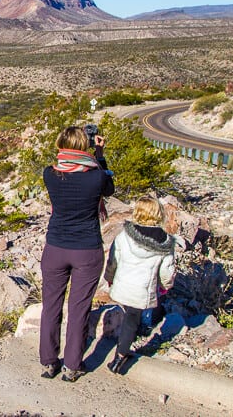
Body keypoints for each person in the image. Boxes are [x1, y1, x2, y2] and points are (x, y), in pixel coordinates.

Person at [40, 126, 115, 382]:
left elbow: (70, 171)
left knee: (51, 306)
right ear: (85, 145)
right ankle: (72, 366)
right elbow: (109, 188)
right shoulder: (96, 177)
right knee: (78, 309)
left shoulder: (50, 174)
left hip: (55, 248)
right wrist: (100, 153)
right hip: (86, 249)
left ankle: (49, 362)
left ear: (60, 144)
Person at [103, 195, 175, 374]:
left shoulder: (125, 234)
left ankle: (126, 344)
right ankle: (121, 355)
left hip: (123, 285)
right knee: (132, 319)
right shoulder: (165, 242)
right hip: (143, 288)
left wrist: (109, 277)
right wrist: (166, 286)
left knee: (129, 316)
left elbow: (113, 259)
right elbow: (167, 271)